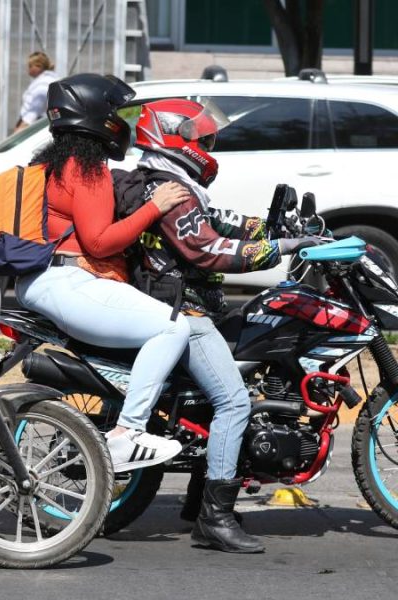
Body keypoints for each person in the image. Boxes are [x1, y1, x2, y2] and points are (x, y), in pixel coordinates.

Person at [115, 98, 318, 553]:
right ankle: (215, 518)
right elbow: (208, 251)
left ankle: (196, 501)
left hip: (183, 304)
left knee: (231, 383)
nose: (208, 144)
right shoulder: (170, 189)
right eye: (202, 137)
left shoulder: (171, 182)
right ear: (174, 138)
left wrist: (275, 228)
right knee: (233, 402)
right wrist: (284, 248)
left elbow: (218, 222)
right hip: (182, 311)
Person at [15, 73, 193, 473]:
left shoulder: (53, 161)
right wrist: (156, 207)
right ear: (96, 116)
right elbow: (99, 242)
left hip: (44, 281)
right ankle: (127, 433)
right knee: (172, 328)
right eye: (116, 112)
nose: (121, 121)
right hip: (67, 282)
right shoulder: (88, 169)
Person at [14, 51, 58, 132]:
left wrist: (21, 129)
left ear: (39, 66)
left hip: (33, 126)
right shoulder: (47, 81)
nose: (28, 69)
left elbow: (35, 110)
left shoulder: (43, 84)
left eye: (30, 66)